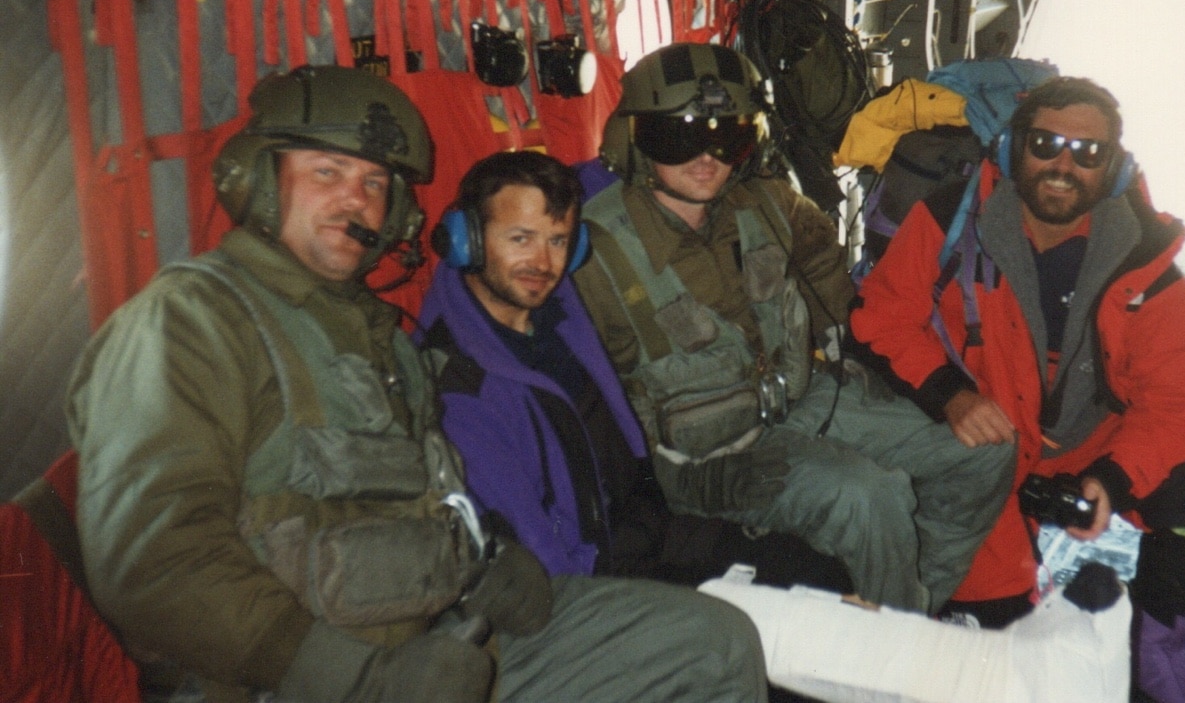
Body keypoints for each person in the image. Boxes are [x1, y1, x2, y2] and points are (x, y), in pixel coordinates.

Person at [65, 65, 769, 703]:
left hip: (448, 635)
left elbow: (427, 493)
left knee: (717, 643)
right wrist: (356, 677)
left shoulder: (374, 332)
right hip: (301, 678)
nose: (356, 201)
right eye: (328, 172)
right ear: (257, 179)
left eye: (374, 183)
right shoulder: (185, 320)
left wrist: (488, 560)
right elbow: (151, 561)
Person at [849, 76, 1185, 703]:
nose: (1064, 165)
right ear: (1014, 151)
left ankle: (1153, 649)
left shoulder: (1146, 265)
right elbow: (882, 319)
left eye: (1088, 152)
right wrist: (950, 396)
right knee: (997, 654)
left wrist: (1113, 479)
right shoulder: (951, 220)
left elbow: (1184, 398)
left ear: (1114, 169)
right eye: (1046, 143)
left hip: (1086, 449)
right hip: (981, 446)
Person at [571, 42, 1015, 615]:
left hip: (803, 401)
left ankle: (909, 608)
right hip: (709, 460)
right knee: (867, 497)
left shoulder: (771, 207)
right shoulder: (596, 255)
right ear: (632, 142)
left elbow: (830, 279)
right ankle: (899, 651)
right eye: (680, 136)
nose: (707, 157)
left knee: (984, 452)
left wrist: (854, 357)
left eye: (726, 136)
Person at [415, 149, 850, 590]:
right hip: (589, 580)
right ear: (465, 240)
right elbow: (541, 560)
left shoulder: (559, 317)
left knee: (818, 573)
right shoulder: (461, 385)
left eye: (558, 240)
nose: (543, 264)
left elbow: (615, 169)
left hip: (644, 530)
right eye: (520, 239)